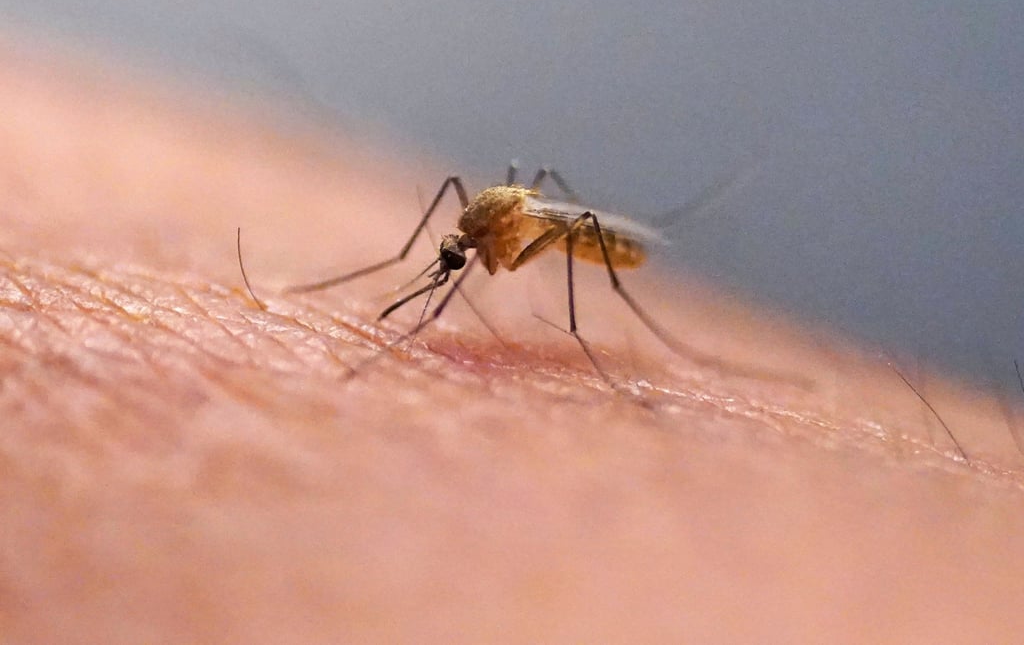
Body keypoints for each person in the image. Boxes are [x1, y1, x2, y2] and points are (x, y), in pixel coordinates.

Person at [3, 43, 1023, 643]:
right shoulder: (468, 229)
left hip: (590, 244)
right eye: (453, 257)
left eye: (453, 259)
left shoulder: (505, 230)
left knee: (545, 218)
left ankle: (626, 343)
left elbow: (504, 230)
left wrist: (531, 267)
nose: (453, 265)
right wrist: (396, 276)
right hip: (526, 221)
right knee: (492, 195)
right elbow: (457, 239)